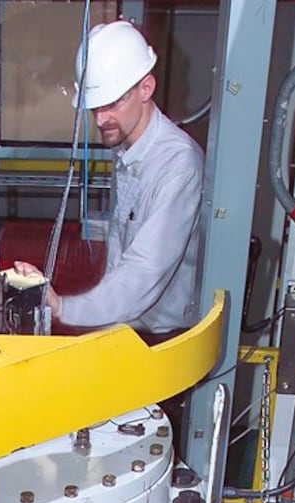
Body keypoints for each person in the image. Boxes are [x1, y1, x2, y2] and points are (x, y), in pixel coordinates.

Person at [11, 21, 204, 339]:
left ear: (146, 88)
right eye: (95, 108)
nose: (101, 120)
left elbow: (142, 273)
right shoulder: (131, 147)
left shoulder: (177, 165)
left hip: (163, 339)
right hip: (127, 325)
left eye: (112, 104)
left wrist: (62, 307)